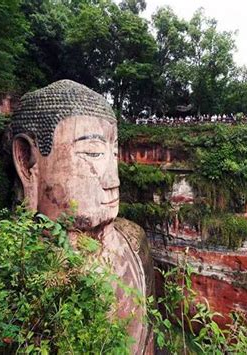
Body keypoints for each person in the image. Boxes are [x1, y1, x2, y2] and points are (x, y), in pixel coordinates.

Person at [11, 80, 154, 354]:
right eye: (92, 153)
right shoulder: (17, 273)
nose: (114, 179)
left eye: (113, 155)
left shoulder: (134, 243)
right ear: (26, 160)